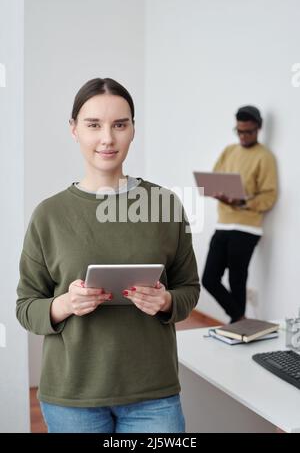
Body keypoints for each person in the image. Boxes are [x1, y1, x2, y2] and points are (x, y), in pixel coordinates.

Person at [16, 77, 200, 433]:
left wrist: (164, 302)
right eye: (93, 125)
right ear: (74, 130)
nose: (107, 138)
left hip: (153, 394)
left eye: (120, 124)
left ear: (133, 130)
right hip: (72, 396)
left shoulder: (164, 205)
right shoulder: (48, 215)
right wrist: (65, 304)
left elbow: (188, 289)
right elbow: (26, 307)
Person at [202, 105, 277, 323]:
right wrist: (218, 193)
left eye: (249, 132)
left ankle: (239, 325)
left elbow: (269, 197)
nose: (243, 136)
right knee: (209, 279)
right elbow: (214, 178)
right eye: (239, 131)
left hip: (247, 228)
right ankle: (241, 320)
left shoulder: (265, 157)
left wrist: (242, 201)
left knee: (237, 280)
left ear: (259, 128)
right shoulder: (229, 151)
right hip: (224, 224)